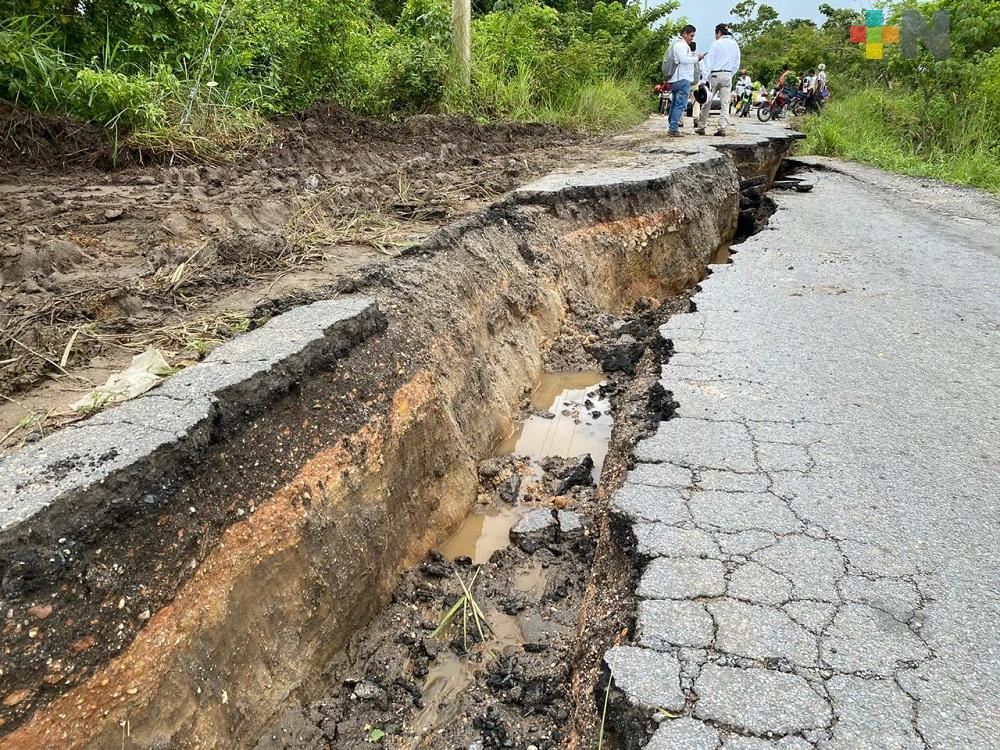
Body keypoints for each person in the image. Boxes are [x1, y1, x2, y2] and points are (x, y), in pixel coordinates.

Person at [696, 23, 741, 137]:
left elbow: (709, 63)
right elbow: (736, 63)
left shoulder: (716, 44)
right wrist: (730, 74)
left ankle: (701, 127)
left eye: (715, 33)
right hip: (727, 75)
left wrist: (703, 79)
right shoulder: (734, 44)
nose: (715, 35)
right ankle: (722, 128)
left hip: (714, 75)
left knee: (707, 101)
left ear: (719, 32)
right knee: (725, 103)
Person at [663, 25, 702, 138]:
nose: (692, 38)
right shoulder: (681, 45)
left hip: (676, 79)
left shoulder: (676, 44)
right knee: (680, 105)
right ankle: (673, 129)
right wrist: (697, 58)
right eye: (691, 36)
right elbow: (684, 59)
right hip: (682, 78)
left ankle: (672, 125)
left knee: (675, 103)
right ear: (684, 33)